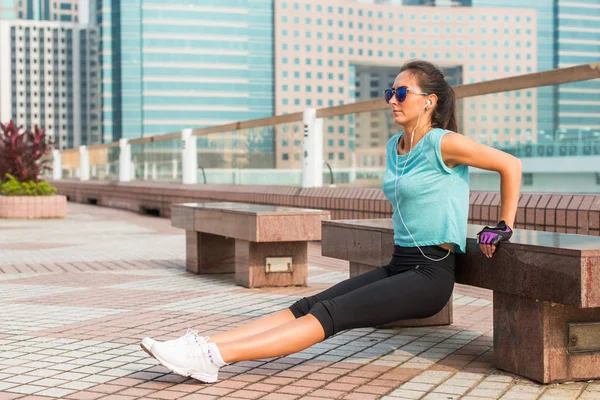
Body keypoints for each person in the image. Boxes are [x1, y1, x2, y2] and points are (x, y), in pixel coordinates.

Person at [140, 59, 522, 383]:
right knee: (310, 303)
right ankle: (206, 342)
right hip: (401, 263)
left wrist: (502, 225)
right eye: (389, 92)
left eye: (401, 93)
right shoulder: (396, 146)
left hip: (430, 275)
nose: (392, 100)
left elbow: (510, 164)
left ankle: (213, 357)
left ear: (429, 101)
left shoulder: (444, 143)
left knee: (331, 314)